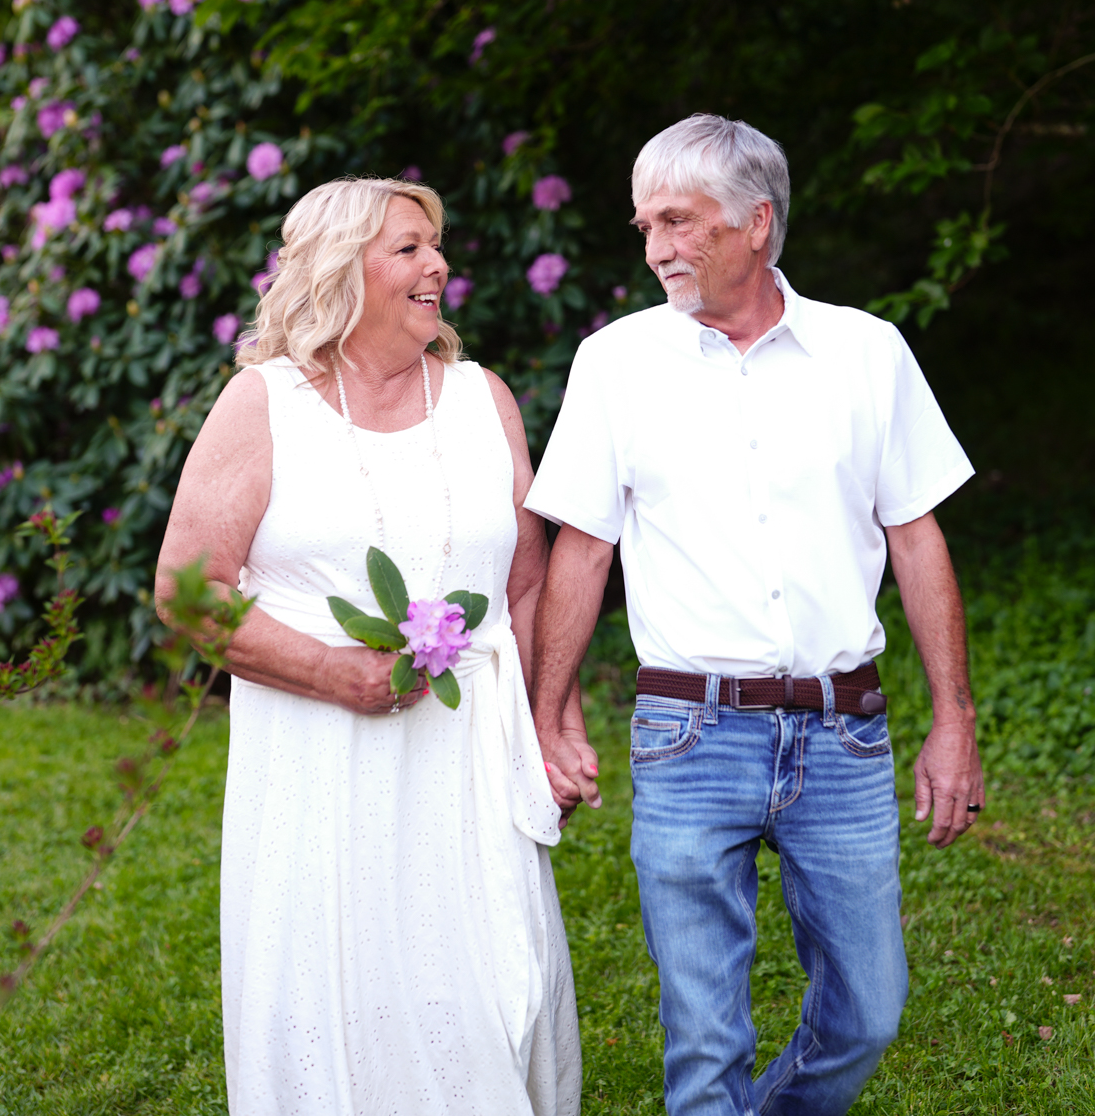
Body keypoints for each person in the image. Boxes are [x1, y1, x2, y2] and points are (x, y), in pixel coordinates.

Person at [524, 114, 985, 1115]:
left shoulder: (867, 352)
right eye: (646, 224)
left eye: (680, 222)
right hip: (689, 733)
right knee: (704, 1041)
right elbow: (582, 547)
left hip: (843, 731)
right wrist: (548, 711)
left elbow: (917, 538)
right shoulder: (616, 363)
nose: (656, 249)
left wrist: (955, 719)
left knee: (868, 1010)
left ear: (756, 222)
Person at [155, 177, 580, 1116]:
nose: (438, 266)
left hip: (468, 759)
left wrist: (555, 724)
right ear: (341, 267)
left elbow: (529, 583)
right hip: (321, 770)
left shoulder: (485, 399)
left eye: (437, 246)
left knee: (498, 988)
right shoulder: (261, 404)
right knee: (341, 990)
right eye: (409, 248)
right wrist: (336, 674)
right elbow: (188, 590)